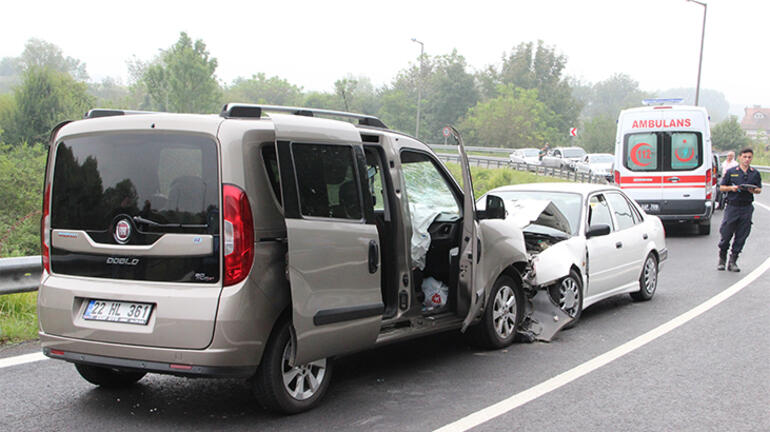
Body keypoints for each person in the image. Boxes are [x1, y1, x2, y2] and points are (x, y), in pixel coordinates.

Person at [717, 147, 762, 272]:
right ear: (740, 157)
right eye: (745, 157)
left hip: (746, 207)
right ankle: (722, 257)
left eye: (749, 157)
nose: (747, 159)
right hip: (732, 206)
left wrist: (754, 190)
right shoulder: (732, 171)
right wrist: (732, 188)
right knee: (726, 233)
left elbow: (759, 189)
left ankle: (733, 260)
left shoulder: (754, 173)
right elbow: (721, 187)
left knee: (742, 235)